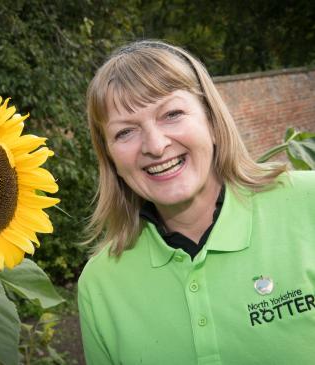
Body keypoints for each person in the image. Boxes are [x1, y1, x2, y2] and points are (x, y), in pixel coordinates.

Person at [77, 40, 315, 365]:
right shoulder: (100, 283)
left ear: (213, 122)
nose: (156, 146)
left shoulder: (307, 204)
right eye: (125, 132)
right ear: (110, 158)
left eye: (172, 114)